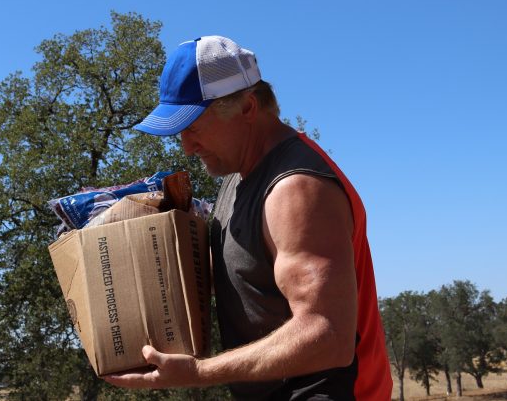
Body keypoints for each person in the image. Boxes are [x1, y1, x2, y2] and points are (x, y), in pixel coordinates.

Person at [106, 35, 393, 400]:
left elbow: (328, 334)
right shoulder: (237, 179)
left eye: (193, 127)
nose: (187, 147)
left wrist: (199, 372)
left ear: (247, 107)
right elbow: (240, 278)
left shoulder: (296, 189)